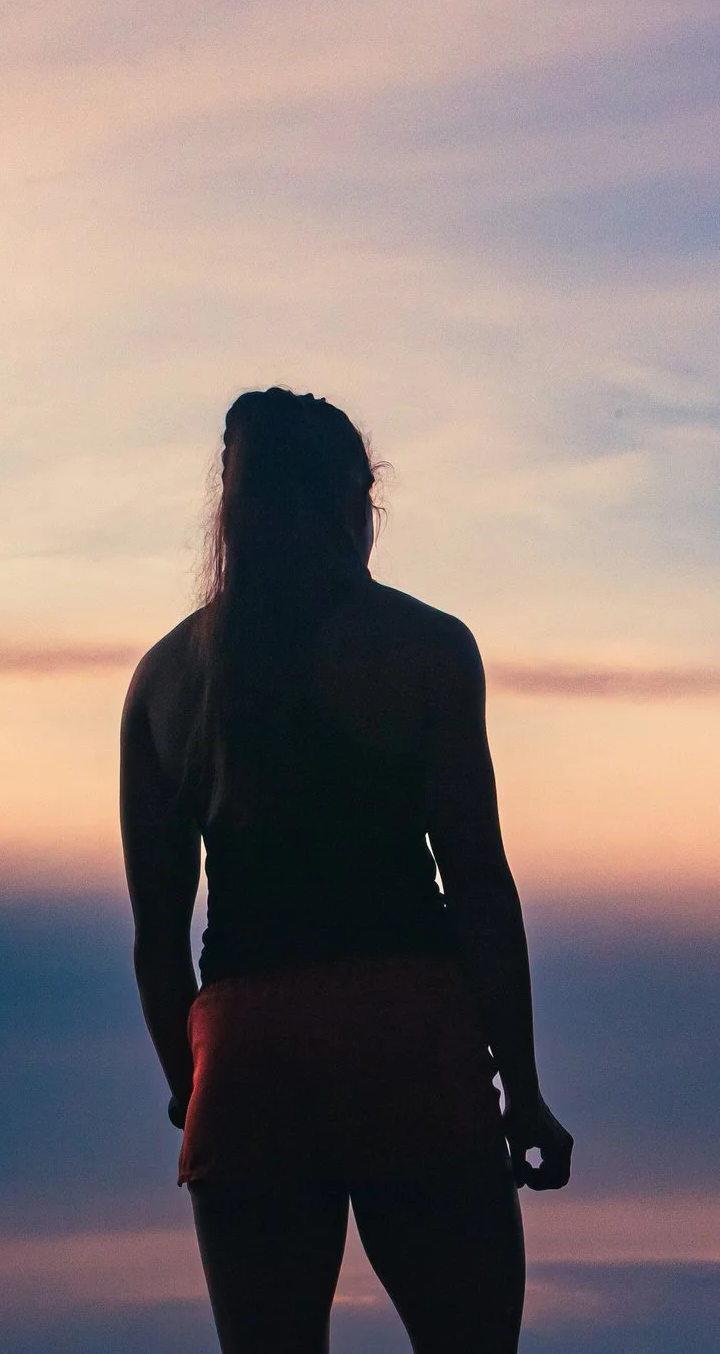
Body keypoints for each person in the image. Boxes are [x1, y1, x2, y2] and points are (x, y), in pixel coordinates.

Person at [119, 387, 574, 1354]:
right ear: (350, 503)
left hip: (243, 1055)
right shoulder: (425, 649)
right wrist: (523, 1090)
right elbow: (480, 886)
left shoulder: (163, 683)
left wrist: (187, 1086)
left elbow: (158, 942)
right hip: (406, 1035)